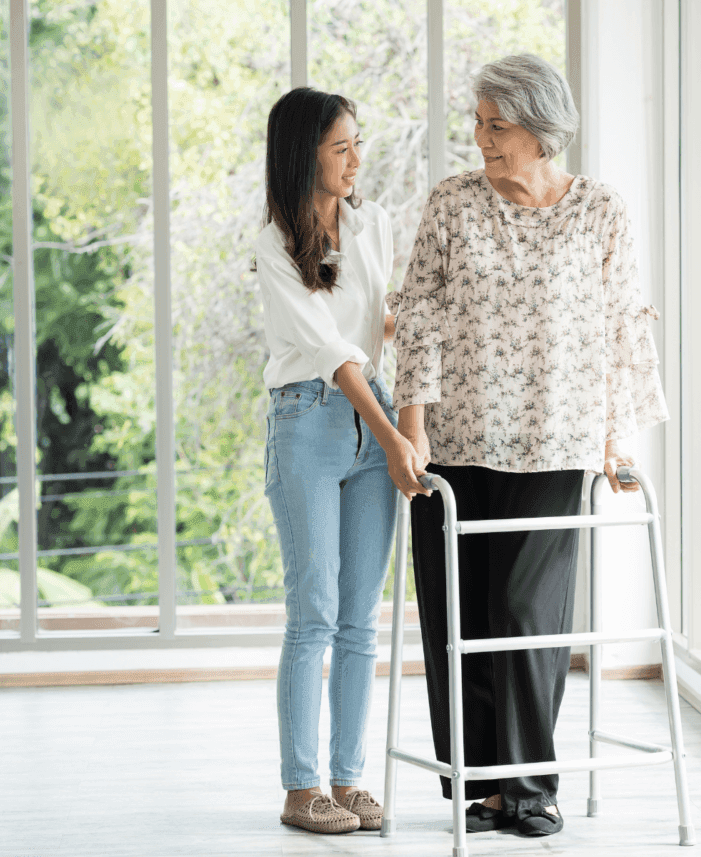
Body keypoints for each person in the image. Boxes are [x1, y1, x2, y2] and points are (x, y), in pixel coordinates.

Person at [387, 54, 669, 838]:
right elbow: (419, 318)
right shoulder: (452, 205)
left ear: (542, 133)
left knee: (524, 609)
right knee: (460, 608)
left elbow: (622, 320)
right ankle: (481, 785)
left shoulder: (600, 211)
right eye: (477, 122)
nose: (480, 137)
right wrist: (411, 427)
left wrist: (618, 436)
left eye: (497, 125)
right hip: (455, 441)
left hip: (557, 439)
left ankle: (532, 785)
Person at [254, 87, 431, 836]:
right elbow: (331, 351)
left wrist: (420, 329)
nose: (357, 158)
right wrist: (392, 437)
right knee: (315, 611)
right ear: (306, 153)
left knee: (362, 616)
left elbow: (381, 323)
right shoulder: (273, 240)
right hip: (310, 421)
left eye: (357, 142)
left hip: (375, 415)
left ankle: (347, 778)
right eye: (341, 146)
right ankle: (301, 787)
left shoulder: (373, 225)